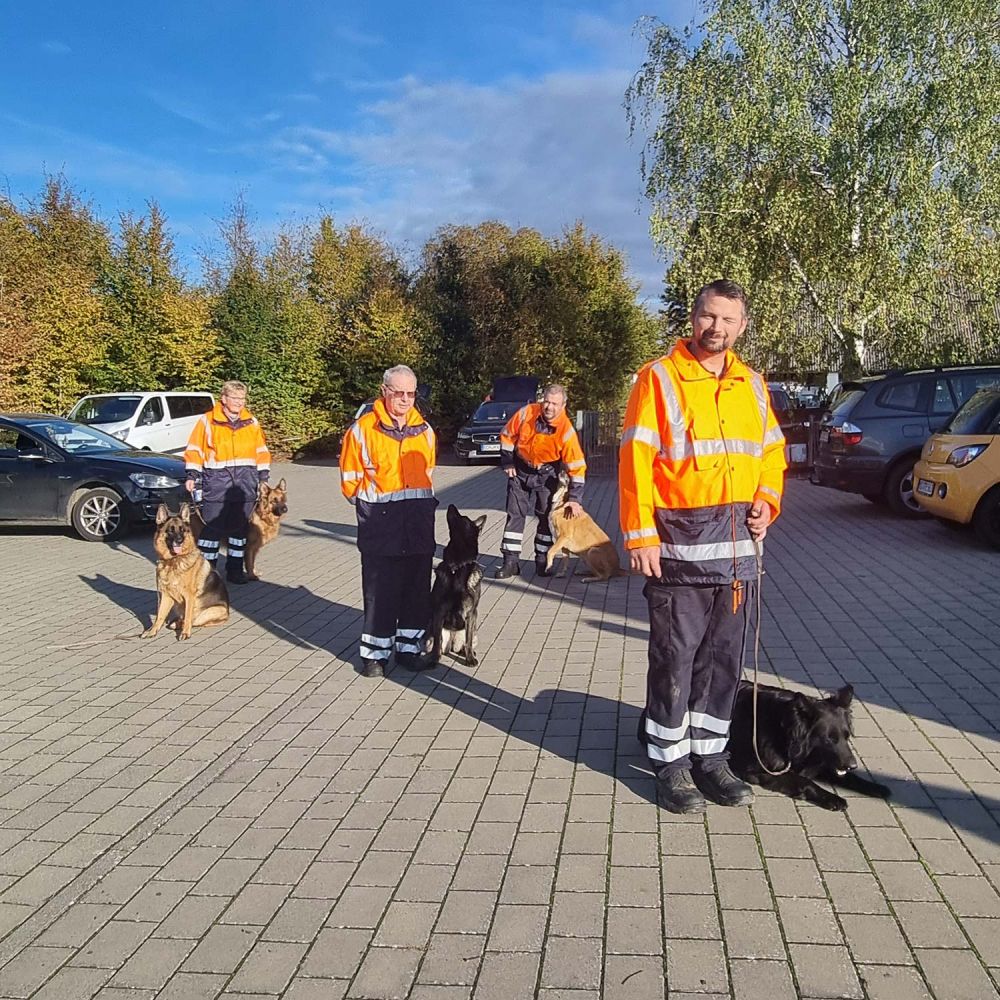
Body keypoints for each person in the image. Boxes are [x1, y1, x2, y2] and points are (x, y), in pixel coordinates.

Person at [619, 279, 787, 814]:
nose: (717, 328)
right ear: (694, 319)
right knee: (675, 657)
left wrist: (767, 497)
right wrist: (639, 533)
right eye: (709, 317)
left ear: (741, 325)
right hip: (677, 549)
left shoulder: (753, 385)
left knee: (722, 661)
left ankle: (710, 757)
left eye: (728, 320)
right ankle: (669, 763)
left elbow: (772, 453)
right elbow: (635, 463)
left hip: (738, 554)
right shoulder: (659, 378)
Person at [339, 365, 438, 678]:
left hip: (418, 522)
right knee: (380, 591)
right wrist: (372, 510)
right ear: (384, 392)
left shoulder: (425, 431)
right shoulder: (362, 430)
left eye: (411, 394)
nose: (406, 399)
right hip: (380, 525)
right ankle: (375, 655)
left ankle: (409, 649)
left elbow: (429, 474)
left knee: (416, 588)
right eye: (399, 393)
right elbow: (349, 482)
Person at [495, 384, 587, 579]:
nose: (549, 407)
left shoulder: (566, 431)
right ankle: (510, 562)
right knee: (515, 514)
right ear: (541, 400)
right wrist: (507, 462)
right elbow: (506, 435)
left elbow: (577, 465)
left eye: (554, 403)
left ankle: (542, 560)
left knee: (545, 517)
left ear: (563, 405)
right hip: (520, 470)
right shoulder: (526, 413)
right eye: (546, 401)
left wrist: (575, 498)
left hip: (547, 475)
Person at [184, 380, 271, 585]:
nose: (240, 402)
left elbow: (261, 451)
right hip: (216, 483)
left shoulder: (252, 423)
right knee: (212, 530)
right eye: (235, 398)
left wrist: (263, 478)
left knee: (239, 531)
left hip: (244, 485)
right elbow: (195, 450)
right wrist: (192, 476)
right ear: (224, 399)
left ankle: (235, 570)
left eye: (242, 398)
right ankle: (207, 573)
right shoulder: (207, 421)